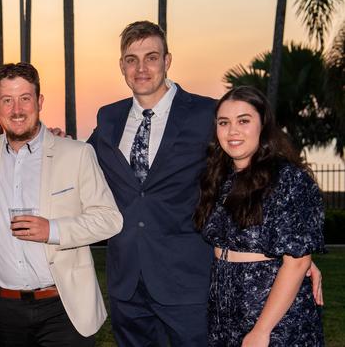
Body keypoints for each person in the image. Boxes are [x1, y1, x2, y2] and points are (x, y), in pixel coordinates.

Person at [87, 21, 323, 346]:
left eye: (151, 57)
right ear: (121, 66)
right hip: (126, 283)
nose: (141, 68)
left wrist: (299, 258)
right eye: (131, 59)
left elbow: (254, 172)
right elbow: (83, 166)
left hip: (188, 283)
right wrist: (56, 144)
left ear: (167, 60)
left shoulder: (206, 114)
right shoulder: (108, 118)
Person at [0, 62, 123, 346]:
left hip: (63, 306)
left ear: (39, 102)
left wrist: (53, 229)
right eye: (7, 100)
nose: (17, 109)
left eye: (25, 98)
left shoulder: (76, 153)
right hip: (5, 307)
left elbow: (109, 219)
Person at [194, 86, 325, 346]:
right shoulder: (219, 176)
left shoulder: (289, 179)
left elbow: (297, 262)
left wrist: (262, 330)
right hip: (224, 315)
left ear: (263, 125)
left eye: (244, 120)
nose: (232, 131)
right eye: (224, 122)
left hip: (273, 317)